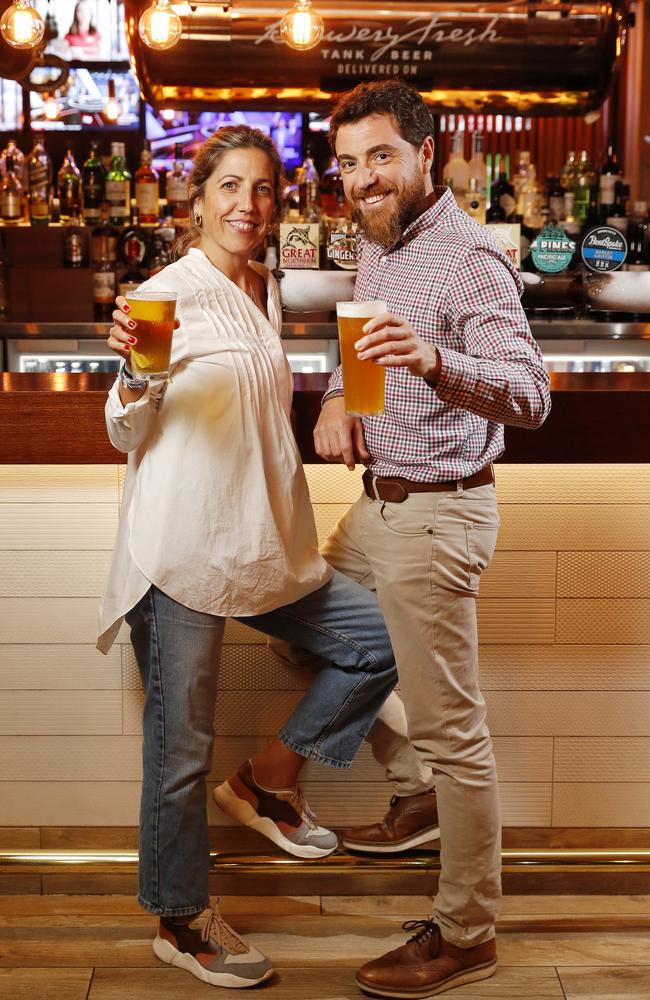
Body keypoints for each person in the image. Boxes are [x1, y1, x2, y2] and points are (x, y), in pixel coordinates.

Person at [98, 124, 399, 990]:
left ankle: (268, 781)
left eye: (263, 189)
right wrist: (132, 377)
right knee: (178, 749)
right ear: (198, 201)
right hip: (183, 548)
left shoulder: (265, 288)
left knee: (377, 641)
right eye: (230, 187)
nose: (249, 205)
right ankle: (181, 920)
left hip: (262, 542)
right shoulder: (165, 295)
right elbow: (124, 429)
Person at [309, 80, 552, 997]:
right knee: (304, 614)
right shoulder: (382, 247)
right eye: (348, 163)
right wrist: (341, 398)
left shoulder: (468, 259)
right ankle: (415, 791)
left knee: (457, 732)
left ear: (422, 154)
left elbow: (531, 397)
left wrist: (438, 362)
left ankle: (466, 932)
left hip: (442, 510)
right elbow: (360, 357)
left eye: (379, 157)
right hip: (379, 505)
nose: (363, 178)